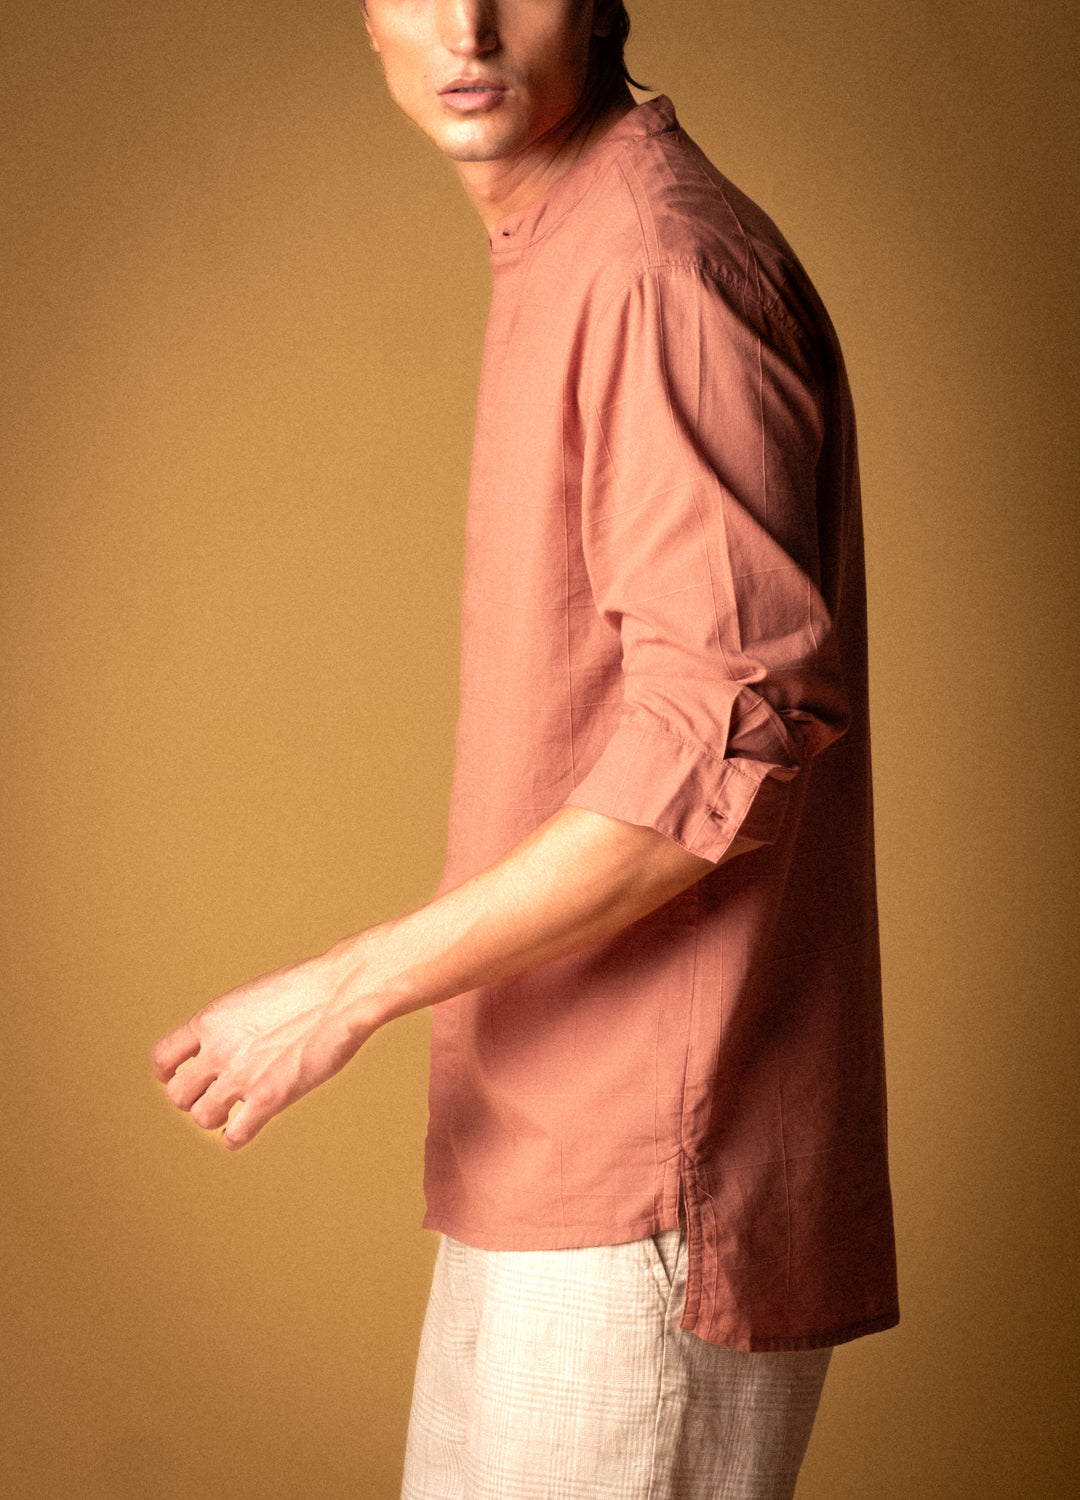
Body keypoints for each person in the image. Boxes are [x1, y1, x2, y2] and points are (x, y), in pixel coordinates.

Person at [152, 3, 898, 1496]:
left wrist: (343, 991)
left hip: (648, 1180)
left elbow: (726, 732)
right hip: (550, 1155)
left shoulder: (653, 265)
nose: (469, 25)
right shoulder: (573, 246)